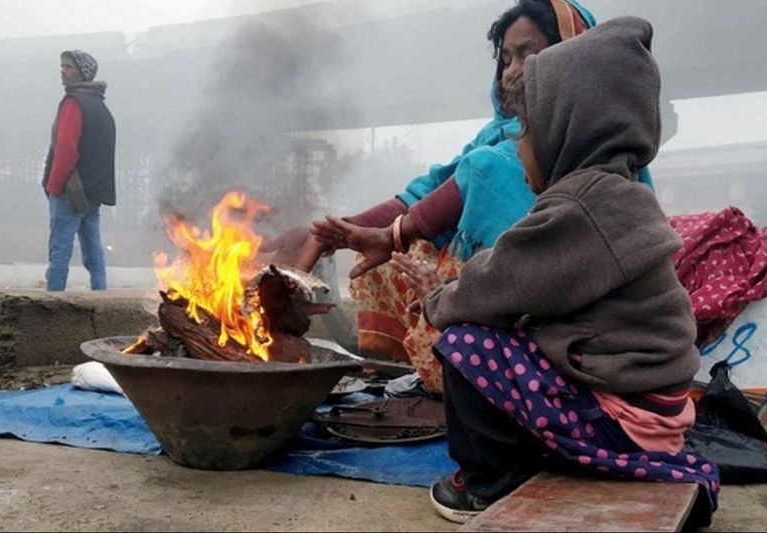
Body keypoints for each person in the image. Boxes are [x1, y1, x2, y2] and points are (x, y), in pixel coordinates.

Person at [391, 17, 718, 524]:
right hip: (653, 408)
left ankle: (489, 484)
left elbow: (498, 285)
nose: (518, 150)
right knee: (510, 336)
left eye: (526, 133)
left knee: (467, 343)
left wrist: (439, 298)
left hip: (624, 418)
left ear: (567, 132)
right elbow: (524, 281)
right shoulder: (620, 194)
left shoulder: (580, 207)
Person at [270, 0, 650, 394]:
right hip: (499, 293)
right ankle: (435, 368)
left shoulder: (593, 162)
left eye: (529, 54)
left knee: (435, 247)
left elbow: (476, 177)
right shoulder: (497, 133)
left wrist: (434, 287)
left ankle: (476, 375)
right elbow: (429, 192)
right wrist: (334, 232)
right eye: (506, 59)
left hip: (557, 321)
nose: (512, 71)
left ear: (572, 60)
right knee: (392, 260)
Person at [42, 49, 116, 291]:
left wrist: (54, 187)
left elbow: (66, 151)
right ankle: (100, 295)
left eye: (69, 67)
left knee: (60, 249)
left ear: (83, 73)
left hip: (70, 190)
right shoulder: (102, 107)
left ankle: (53, 299)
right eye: (62, 66)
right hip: (93, 192)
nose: (63, 72)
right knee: (93, 248)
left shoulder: (73, 104)